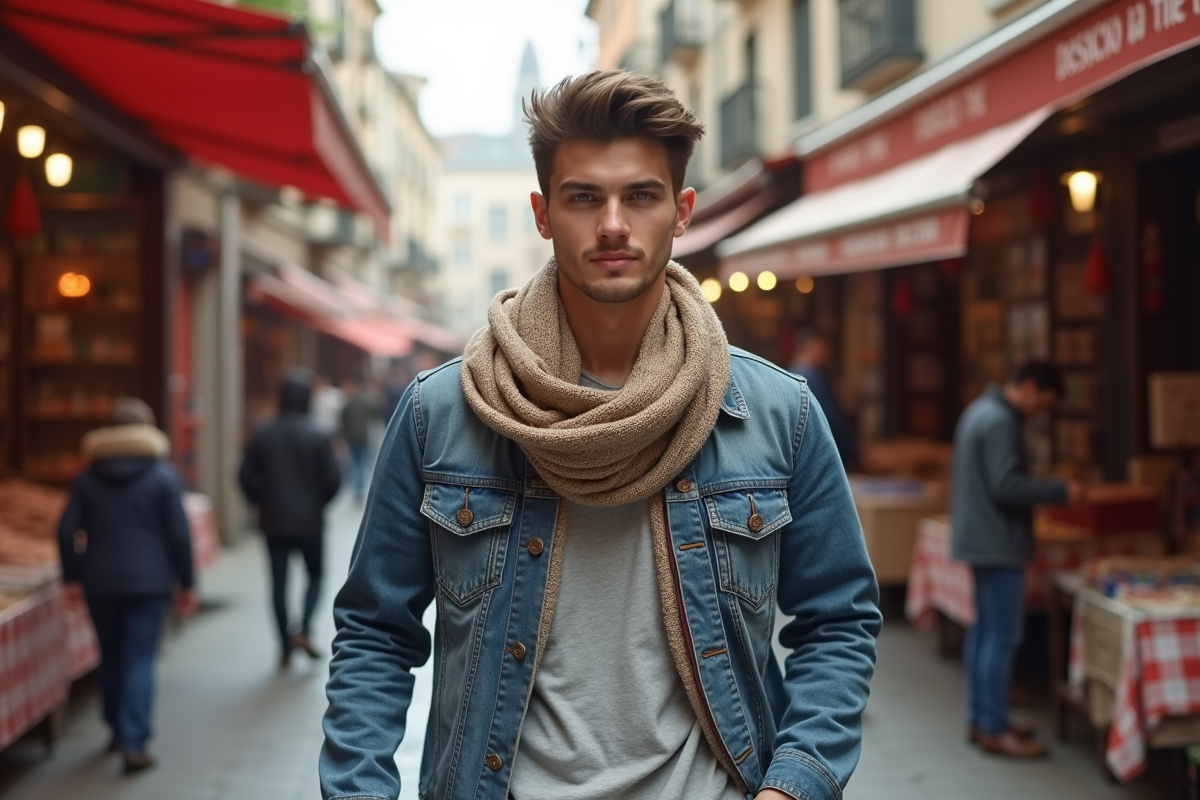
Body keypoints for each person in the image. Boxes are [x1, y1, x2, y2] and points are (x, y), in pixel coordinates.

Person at [320, 71, 880, 800]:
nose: (612, 223)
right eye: (584, 197)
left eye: (640, 196)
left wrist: (792, 786)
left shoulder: (778, 412)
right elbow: (373, 631)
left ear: (680, 212)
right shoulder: (445, 412)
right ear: (543, 213)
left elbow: (839, 621)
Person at [951, 361, 1084, 758]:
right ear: (1029, 387)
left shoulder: (979, 410)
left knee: (985, 631)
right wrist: (1061, 490)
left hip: (980, 537)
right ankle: (993, 726)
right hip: (998, 541)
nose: (1040, 412)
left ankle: (983, 718)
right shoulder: (1000, 421)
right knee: (1001, 635)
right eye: (1043, 403)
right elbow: (1007, 486)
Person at [57, 397, 196, 775]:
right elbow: (179, 535)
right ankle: (135, 742)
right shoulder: (163, 475)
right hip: (150, 580)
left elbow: (67, 529)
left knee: (111, 655)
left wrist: (71, 577)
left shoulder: (86, 478)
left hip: (99, 579)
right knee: (139, 657)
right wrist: (187, 583)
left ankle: (117, 729)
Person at [238, 369, 342, 668]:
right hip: (310, 520)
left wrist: (262, 500)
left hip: (274, 519)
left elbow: (245, 477)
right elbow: (334, 480)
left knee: (278, 582)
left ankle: (284, 642)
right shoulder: (319, 434)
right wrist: (317, 503)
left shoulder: (263, 433)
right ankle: (304, 629)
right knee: (316, 575)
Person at [789, 327, 860, 471]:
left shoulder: (795, 372)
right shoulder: (809, 377)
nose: (828, 353)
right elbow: (831, 420)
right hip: (823, 455)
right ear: (811, 345)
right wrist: (854, 453)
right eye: (824, 347)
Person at [339, 375, 377, 502]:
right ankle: (359, 488)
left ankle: (357, 488)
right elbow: (374, 414)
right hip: (363, 436)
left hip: (352, 436)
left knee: (355, 462)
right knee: (361, 462)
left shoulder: (349, 403)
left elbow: (343, 419)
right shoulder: (365, 401)